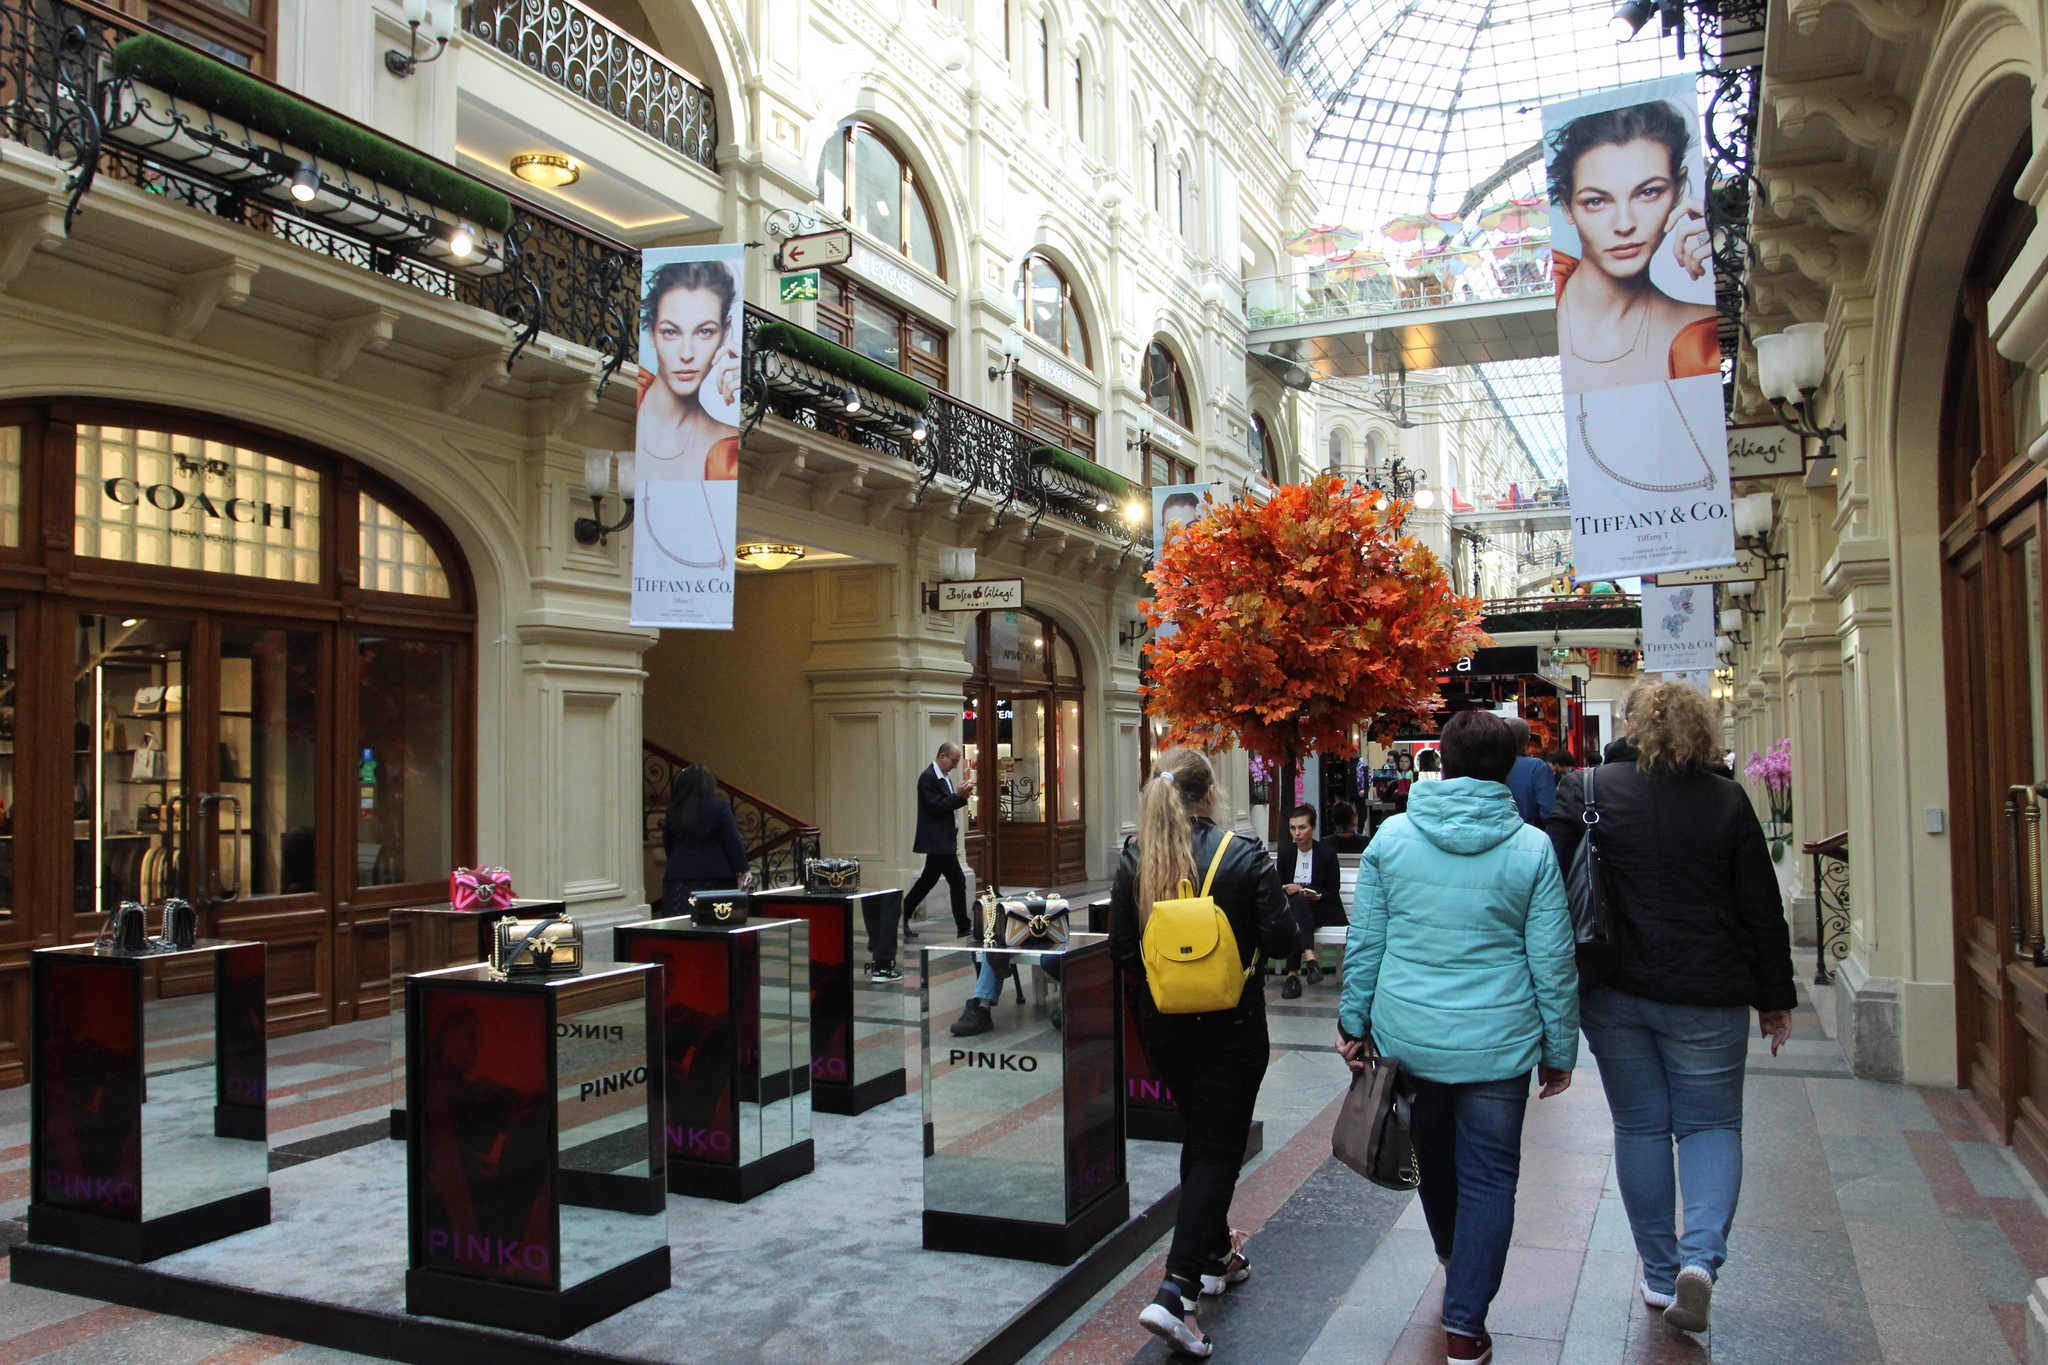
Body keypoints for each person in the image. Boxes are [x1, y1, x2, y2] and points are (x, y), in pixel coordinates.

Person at [1546, 680, 1795, 1336]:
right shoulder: (1727, 800)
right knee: (1711, 1125)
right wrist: (1775, 997)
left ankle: (1660, 1272)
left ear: (1630, 725)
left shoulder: (1588, 790)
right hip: (1709, 996)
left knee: (1641, 1128)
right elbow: (1761, 909)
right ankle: (1702, 1258)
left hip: (1614, 988)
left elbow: (1550, 889)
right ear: (1703, 731)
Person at [1337, 710, 1578, 1365]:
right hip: (1499, 1045)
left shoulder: (1393, 838)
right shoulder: (1530, 849)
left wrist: (1352, 1022)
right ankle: (1467, 1322)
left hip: (1410, 1037)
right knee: (1492, 1178)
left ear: (1440, 760)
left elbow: (1368, 942)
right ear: (1510, 769)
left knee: (1435, 1163)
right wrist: (1560, 1049)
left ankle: (1453, 1258)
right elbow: (1552, 960)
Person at [1109, 748, 1295, 1357]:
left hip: (1161, 1026)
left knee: (1202, 1139)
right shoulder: (1244, 856)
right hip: (1232, 1026)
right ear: (1210, 794)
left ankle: (1216, 1257)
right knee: (1217, 1150)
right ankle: (1177, 1293)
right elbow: (1283, 938)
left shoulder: (1137, 858)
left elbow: (1121, 953)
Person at [1548, 99, 1717, 395]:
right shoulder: (1546, 297)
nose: (1624, 224)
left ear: (1678, 190)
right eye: (1597, 201)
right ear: (1566, 204)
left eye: (1648, 193)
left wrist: (1735, 250)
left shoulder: (1700, 336)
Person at [636, 258, 742, 479]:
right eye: (671, 332)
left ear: (725, 333)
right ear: (650, 332)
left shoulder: (728, 451)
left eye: (704, 332)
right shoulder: (625, 401)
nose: (686, 354)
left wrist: (753, 391)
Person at [905, 742, 976, 952]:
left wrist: (960, 797)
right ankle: (963, 927)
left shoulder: (944, 776)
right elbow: (935, 808)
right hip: (937, 841)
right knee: (958, 879)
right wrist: (957, 796)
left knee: (927, 880)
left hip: (943, 839)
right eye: (953, 761)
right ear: (942, 756)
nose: (955, 765)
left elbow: (947, 805)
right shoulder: (928, 777)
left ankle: (900, 916)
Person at [661, 764, 750, 915]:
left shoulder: (673, 810)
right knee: (713, 925)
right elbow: (732, 841)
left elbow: (668, 842)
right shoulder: (720, 807)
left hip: (678, 876)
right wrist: (743, 869)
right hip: (716, 876)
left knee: (679, 926)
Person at [1278, 804, 1342, 998]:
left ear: (1313, 828)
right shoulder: (1287, 854)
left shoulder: (1327, 853)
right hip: (1298, 911)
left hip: (1324, 909)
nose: (1296, 833)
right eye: (1293, 828)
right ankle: (1311, 961)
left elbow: (1333, 891)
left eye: (1302, 827)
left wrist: (1305, 890)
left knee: (1297, 906)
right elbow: (1280, 887)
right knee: (1297, 905)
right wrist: (1295, 893)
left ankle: (1292, 976)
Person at [1503, 716, 1557, 825]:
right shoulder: (1538, 767)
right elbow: (1548, 811)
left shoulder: (1490, 766)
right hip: (1529, 834)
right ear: (1527, 740)